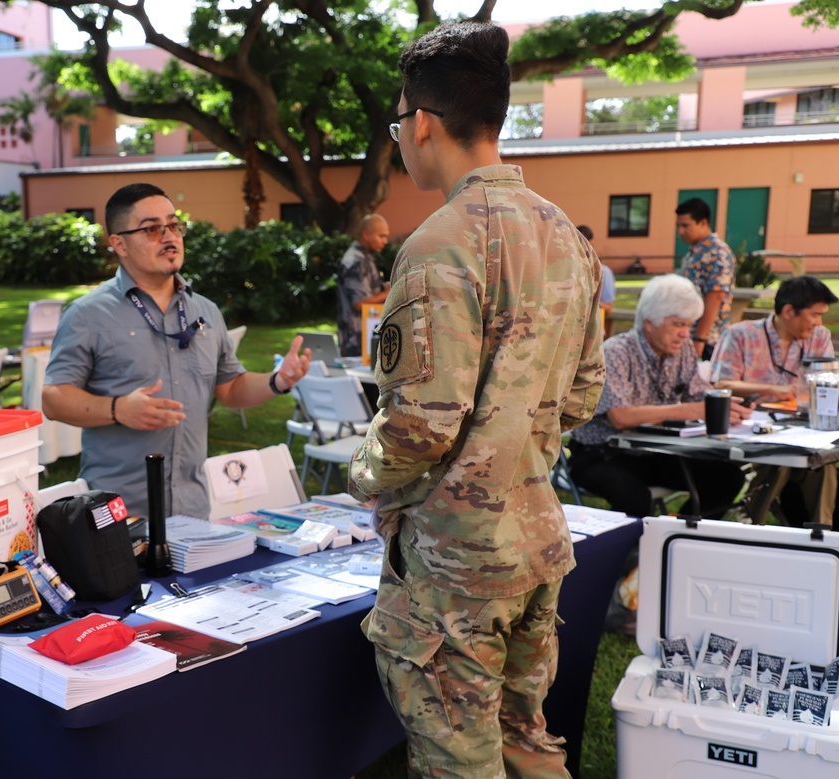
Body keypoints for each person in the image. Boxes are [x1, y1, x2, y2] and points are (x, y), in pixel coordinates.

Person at [348, 22, 605, 778]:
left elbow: (420, 428)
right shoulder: (568, 236)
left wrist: (361, 474)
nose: (401, 137)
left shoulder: (436, 243)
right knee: (527, 739)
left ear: (421, 123)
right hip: (536, 542)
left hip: (458, 564)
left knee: (461, 760)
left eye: (400, 123)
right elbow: (586, 391)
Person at [42, 182, 311, 521]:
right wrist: (118, 409)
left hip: (193, 510)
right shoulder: (87, 314)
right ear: (119, 244)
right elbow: (53, 399)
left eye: (173, 225)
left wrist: (278, 381)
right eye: (151, 229)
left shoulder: (206, 311)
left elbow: (230, 389)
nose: (169, 237)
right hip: (118, 514)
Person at [569, 274, 750, 520]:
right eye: (678, 324)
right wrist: (690, 410)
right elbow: (620, 417)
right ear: (649, 323)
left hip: (653, 452)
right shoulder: (616, 352)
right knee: (634, 497)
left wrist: (728, 406)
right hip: (602, 454)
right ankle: (628, 555)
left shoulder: (681, 349)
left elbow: (697, 393)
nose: (685, 334)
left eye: (689, 325)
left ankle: (681, 539)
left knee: (728, 477)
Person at [710, 275, 839, 524]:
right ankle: (750, 524)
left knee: (824, 465)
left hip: (803, 429)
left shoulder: (819, 337)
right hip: (750, 430)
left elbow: (828, 384)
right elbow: (721, 383)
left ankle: (823, 536)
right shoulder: (741, 334)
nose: (818, 323)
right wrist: (775, 389)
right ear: (789, 311)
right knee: (778, 461)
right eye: (814, 315)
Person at [675, 198, 735, 360]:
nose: (680, 232)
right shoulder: (696, 251)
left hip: (707, 342)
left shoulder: (717, 252)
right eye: (678, 226)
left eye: (686, 226)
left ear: (703, 223)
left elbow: (715, 297)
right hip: (687, 335)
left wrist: (699, 338)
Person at [337, 213, 390, 357]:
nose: (385, 241)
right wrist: (390, 292)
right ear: (366, 235)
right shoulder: (356, 261)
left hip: (365, 335)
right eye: (381, 236)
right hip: (356, 340)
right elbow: (359, 303)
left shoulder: (365, 257)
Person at [577, 225, 616, 336]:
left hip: (592, 330)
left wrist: (586, 301)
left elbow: (608, 308)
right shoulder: (570, 270)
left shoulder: (603, 272)